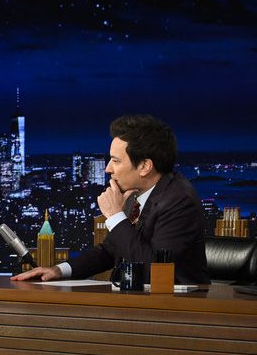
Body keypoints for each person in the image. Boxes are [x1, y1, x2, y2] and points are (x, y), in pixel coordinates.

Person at [13, 114, 209, 284]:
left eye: (116, 161)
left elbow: (154, 272)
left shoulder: (179, 201)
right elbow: (110, 250)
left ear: (144, 167)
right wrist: (58, 271)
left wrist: (115, 216)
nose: (108, 169)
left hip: (178, 309)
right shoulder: (136, 194)